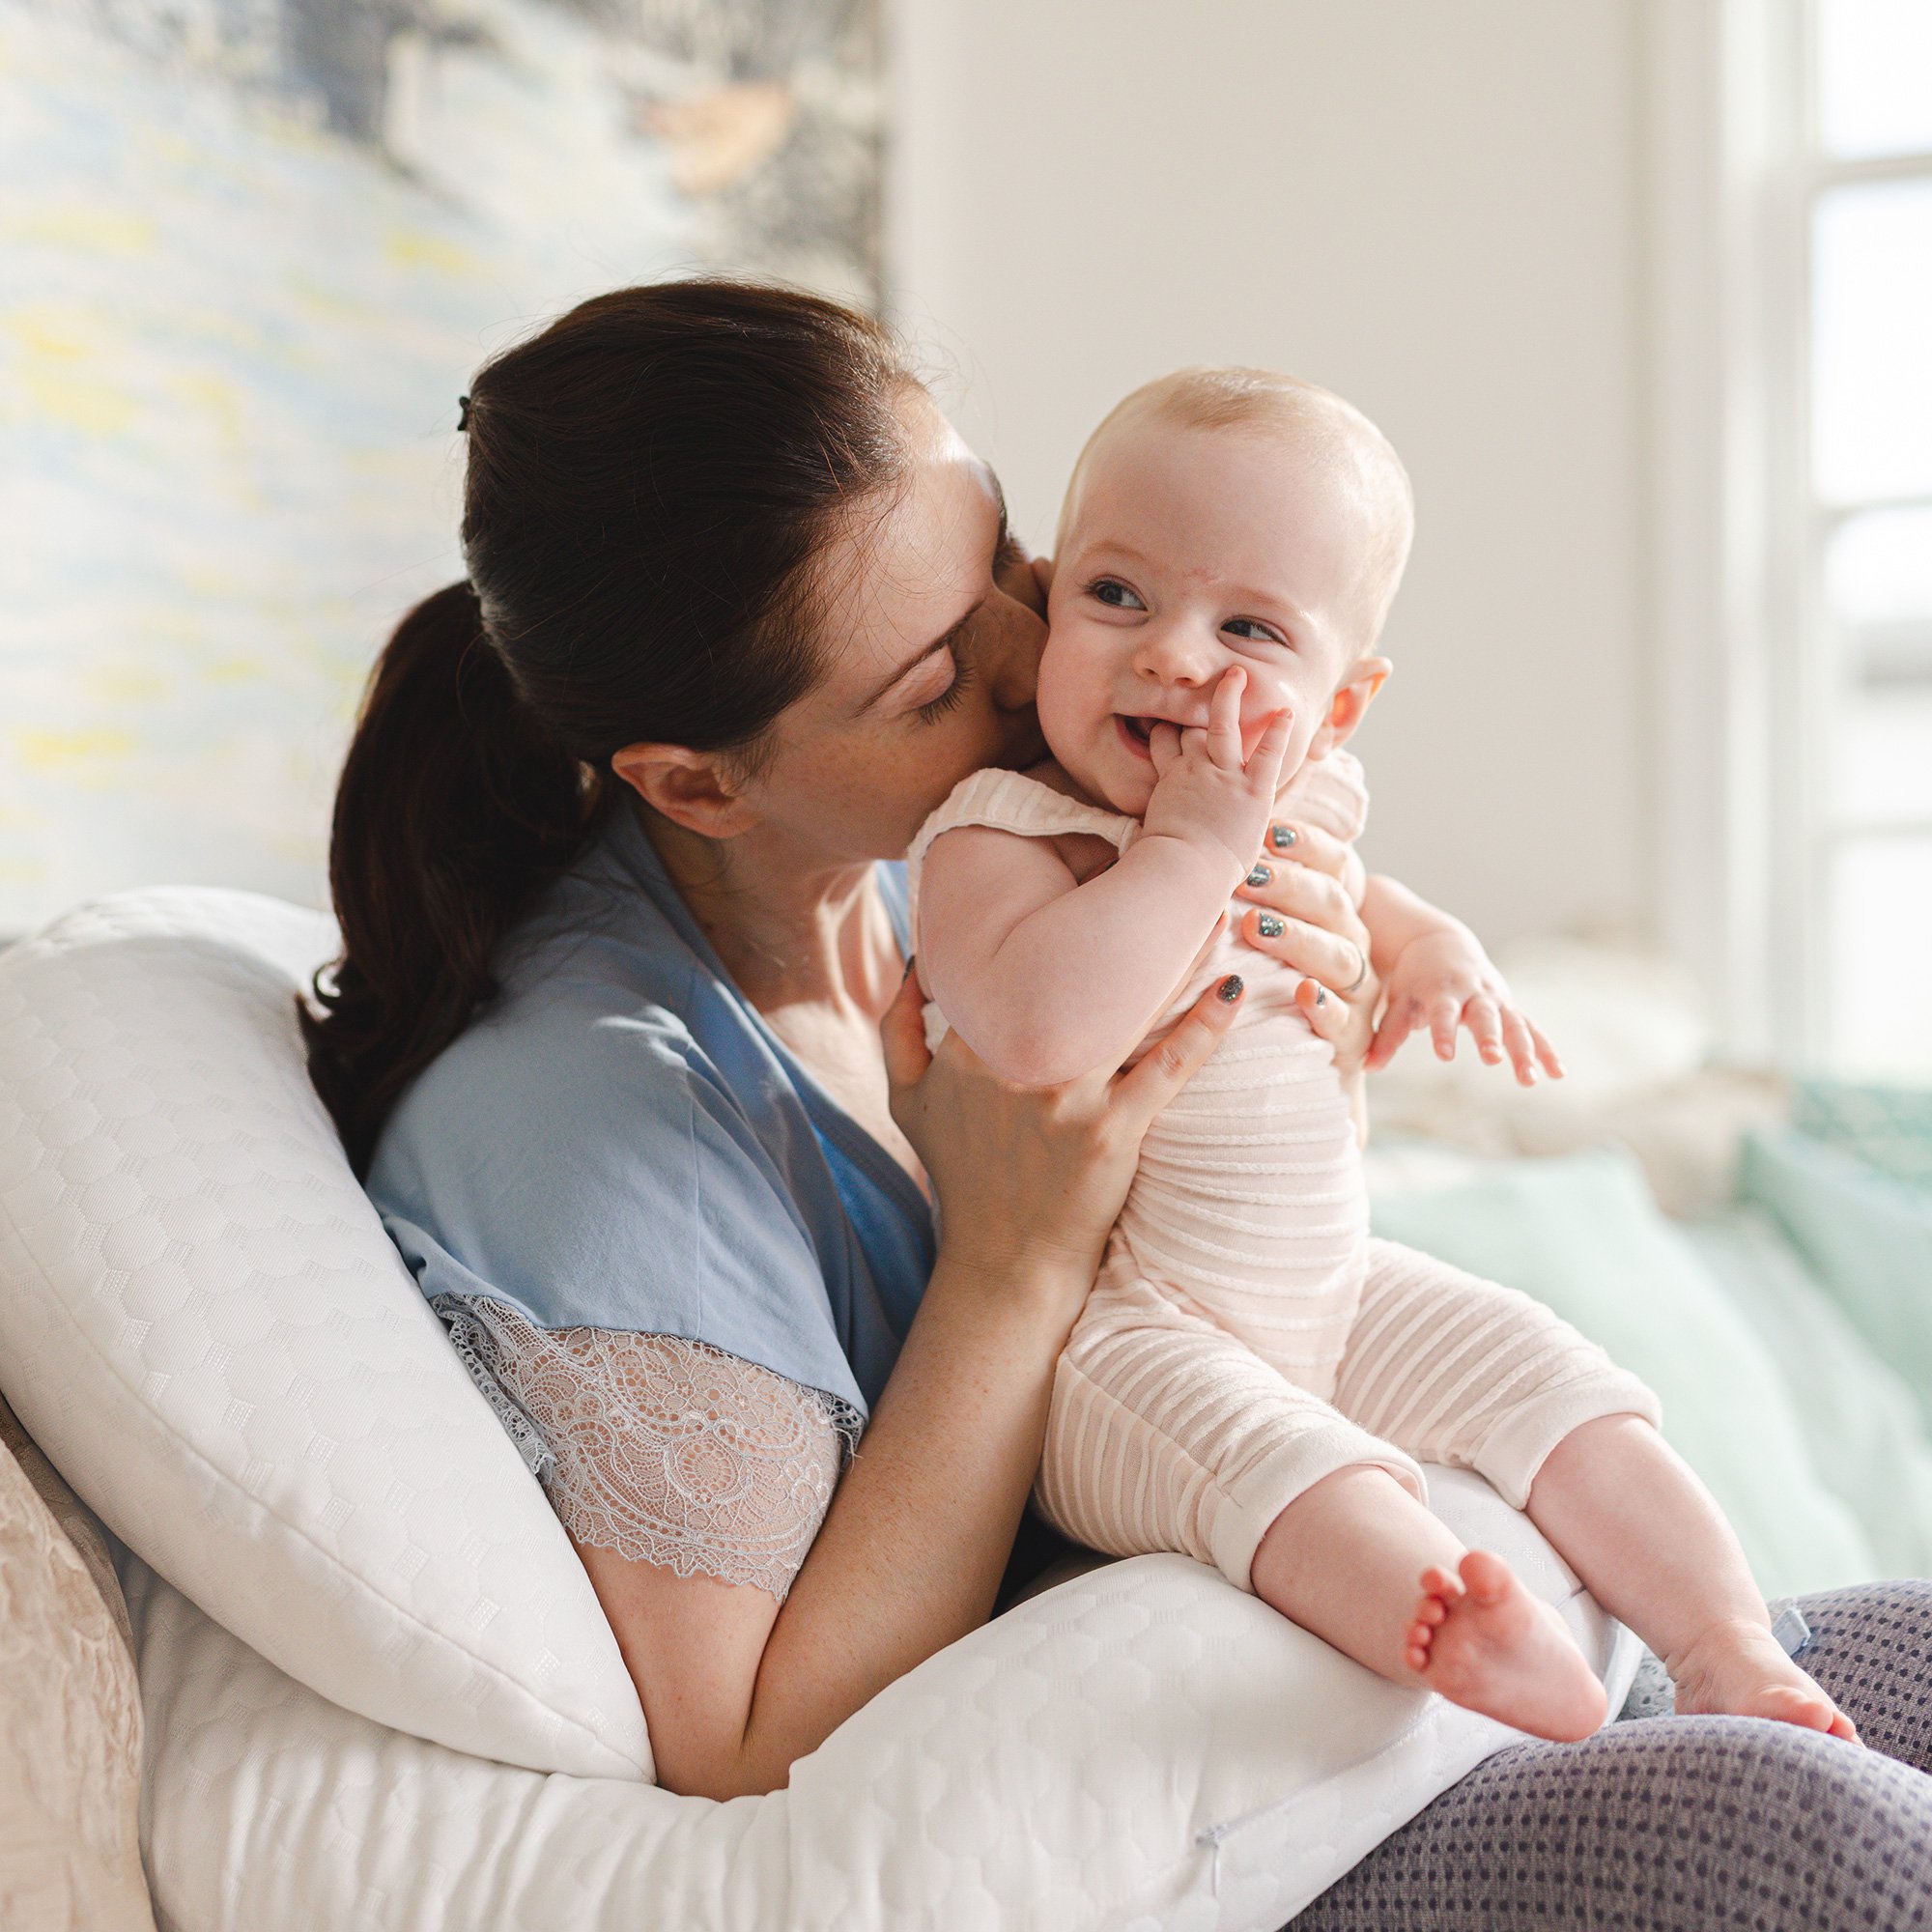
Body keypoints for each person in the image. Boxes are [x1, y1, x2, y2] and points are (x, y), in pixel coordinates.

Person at [299, 277, 1932, 1925]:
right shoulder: (586, 1128)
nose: (1043, 660)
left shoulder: (899, 882)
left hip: (1349, 1618)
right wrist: (1017, 1259)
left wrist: (1305, 1053)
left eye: (1014, 563)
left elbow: (1244, 1195)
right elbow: (748, 1744)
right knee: (1834, 1853)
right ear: (696, 783)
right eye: (938, 674)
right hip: (1205, 1814)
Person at [906, 366, 1853, 1745]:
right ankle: (1451, 1617)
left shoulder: (1300, 798)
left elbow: (1369, 898)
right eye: (1119, 596)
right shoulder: (1002, 831)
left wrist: (1435, 954)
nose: (1174, 654)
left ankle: (1727, 1644)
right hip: (1114, 1330)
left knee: (1550, 1375)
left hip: (1335, 1288)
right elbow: (1035, 1029)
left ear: (1340, 704)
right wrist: (1189, 850)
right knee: (1266, 1459)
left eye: (1248, 626)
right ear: (1047, 604)